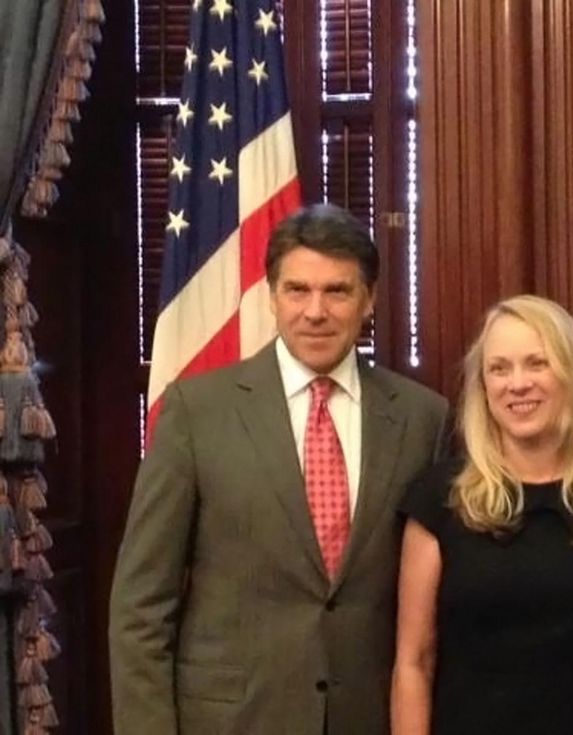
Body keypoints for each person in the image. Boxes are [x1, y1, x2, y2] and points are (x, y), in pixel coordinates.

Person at [109, 203, 449, 735]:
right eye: (297, 290)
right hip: (232, 720)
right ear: (271, 296)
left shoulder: (423, 419)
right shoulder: (197, 412)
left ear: (370, 300)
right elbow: (140, 605)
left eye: (337, 291)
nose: (316, 311)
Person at [391, 294, 573, 735]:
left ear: (572, 374)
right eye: (499, 368)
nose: (517, 384)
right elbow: (414, 662)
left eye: (537, 363)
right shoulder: (441, 497)